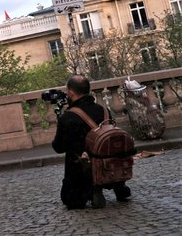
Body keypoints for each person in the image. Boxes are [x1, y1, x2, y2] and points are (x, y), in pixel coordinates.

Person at [52, 74, 132, 209]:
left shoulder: (68, 117)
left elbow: (59, 147)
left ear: (71, 92)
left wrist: (60, 122)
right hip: (109, 165)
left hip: (83, 171)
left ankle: (93, 189)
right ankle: (118, 185)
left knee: (70, 200)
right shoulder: (104, 110)